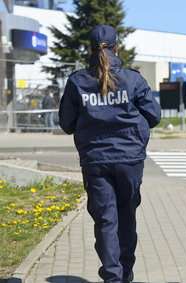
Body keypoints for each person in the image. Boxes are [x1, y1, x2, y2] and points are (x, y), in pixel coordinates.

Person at [59, 25, 161, 283]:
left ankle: (113, 278)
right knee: (127, 219)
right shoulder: (133, 79)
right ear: (117, 47)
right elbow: (154, 116)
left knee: (106, 222)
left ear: (89, 49)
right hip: (129, 160)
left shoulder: (77, 81)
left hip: (95, 161)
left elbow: (66, 123)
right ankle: (125, 276)